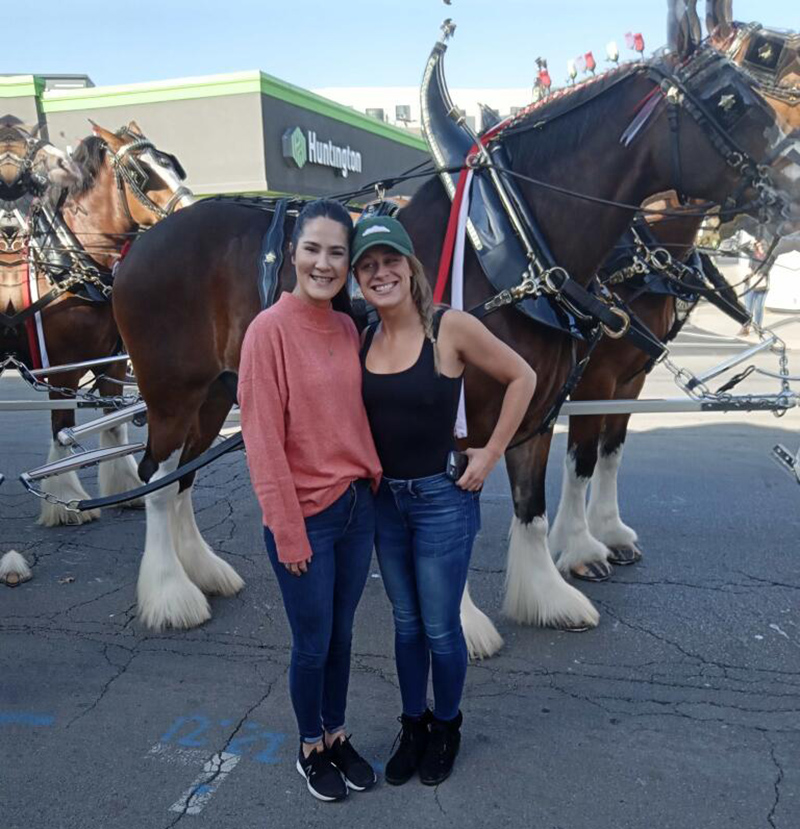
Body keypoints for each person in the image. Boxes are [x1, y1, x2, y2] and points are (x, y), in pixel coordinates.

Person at [351, 216, 537, 786]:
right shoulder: (362, 336)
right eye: (368, 266)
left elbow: (522, 376)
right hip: (386, 502)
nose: (380, 273)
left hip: (441, 500)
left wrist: (490, 453)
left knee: (439, 627)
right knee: (405, 625)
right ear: (358, 278)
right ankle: (414, 724)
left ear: (410, 266)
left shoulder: (448, 328)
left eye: (390, 261)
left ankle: (446, 726)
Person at [239, 200, 382, 803]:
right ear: (293, 251)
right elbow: (263, 442)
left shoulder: (349, 326)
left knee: (343, 636)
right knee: (313, 640)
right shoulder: (267, 331)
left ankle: (337, 732)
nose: (324, 263)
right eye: (313, 249)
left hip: (355, 509)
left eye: (337, 252)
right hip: (306, 519)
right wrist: (288, 529)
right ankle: (309, 746)